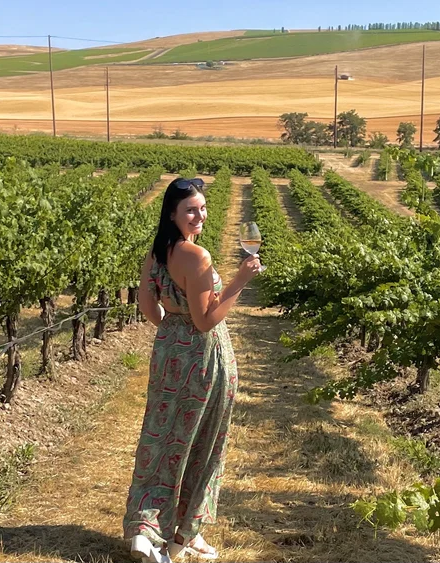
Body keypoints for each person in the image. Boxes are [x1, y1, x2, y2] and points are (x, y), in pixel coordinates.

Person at [124, 177, 261, 563]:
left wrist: (174, 328)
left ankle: (146, 529)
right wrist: (240, 281)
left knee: (160, 440)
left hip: (169, 354)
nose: (199, 215)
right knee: (201, 444)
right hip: (204, 358)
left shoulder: (157, 253)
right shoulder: (197, 257)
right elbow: (205, 321)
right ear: (172, 213)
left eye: (202, 208)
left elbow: (148, 307)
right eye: (190, 209)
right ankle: (182, 534)